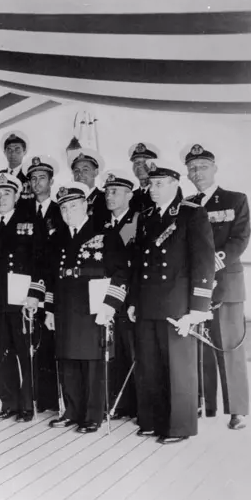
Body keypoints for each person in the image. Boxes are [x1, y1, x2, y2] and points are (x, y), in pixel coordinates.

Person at [128, 159, 215, 444]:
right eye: (151, 183)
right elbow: (139, 264)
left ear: (176, 184)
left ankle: (179, 426)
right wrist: (133, 301)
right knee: (149, 366)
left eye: (159, 184)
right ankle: (153, 420)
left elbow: (203, 263)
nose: (152, 189)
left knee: (178, 368)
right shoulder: (147, 216)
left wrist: (197, 310)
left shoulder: (192, 213)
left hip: (177, 304)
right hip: (148, 303)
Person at [47, 182, 129, 434]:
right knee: (68, 361)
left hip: (95, 309)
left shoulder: (105, 234)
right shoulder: (57, 237)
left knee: (94, 363)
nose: (68, 212)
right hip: (65, 310)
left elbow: (121, 273)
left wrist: (110, 305)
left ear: (85, 205)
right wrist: (49, 309)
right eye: (63, 208)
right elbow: (51, 276)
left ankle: (94, 415)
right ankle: (71, 411)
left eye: (73, 206)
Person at [184, 144, 250, 430]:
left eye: (202, 167)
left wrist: (211, 263)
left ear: (214, 169)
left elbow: (240, 239)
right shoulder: (185, 204)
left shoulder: (235, 200)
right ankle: (206, 404)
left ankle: (237, 411)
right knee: (201, 347)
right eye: (192, 168)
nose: (197, 172)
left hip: (226, 284)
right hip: (196, 288)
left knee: (230, 347)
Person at [0, 173, 46, 422]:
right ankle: (9, 404)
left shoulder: (29, 222)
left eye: (7, 193)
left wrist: (35, 295)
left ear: (16, 195)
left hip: (22, 302)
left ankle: (27, 406)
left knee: (25, 355)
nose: (1, 198)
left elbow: (40, 262)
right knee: (1, 354)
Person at [24, 155, 63, 413]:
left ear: (51, 181)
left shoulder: (62, 209)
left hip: (54, 284)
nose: (38, 182)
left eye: (42, 178)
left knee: (53, 342)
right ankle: (39, 398)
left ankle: (55, 400)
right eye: (33, 178)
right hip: (28, 286)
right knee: (34, 342)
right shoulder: (23, 211)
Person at [103, 169, 139, 420]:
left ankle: (139, 406)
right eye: (107, 191)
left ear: (129, 194)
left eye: (115, 191)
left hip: (132, 298)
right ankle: (119, 403)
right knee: (114, 352)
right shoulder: (102, 224)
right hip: (108, 297)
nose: (109, 196)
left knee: (134, 351)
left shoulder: (139, 221)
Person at [67, 148, 108, 230]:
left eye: (85, 170)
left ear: (96, 172)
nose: (80, 174)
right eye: (76, 171)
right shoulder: (68, 202)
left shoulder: (106, 199)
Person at [0, 131, 32, 207]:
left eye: (17, 150)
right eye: (9, 150)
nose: (13, 153)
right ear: (5, 153)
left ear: (24, 152)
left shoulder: (29, 177)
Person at [128, 142, 158, 213]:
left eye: (144, 162)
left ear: (153, 166)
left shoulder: (164, 191)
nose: (139, 166)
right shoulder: (130, 197)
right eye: (136, 162)